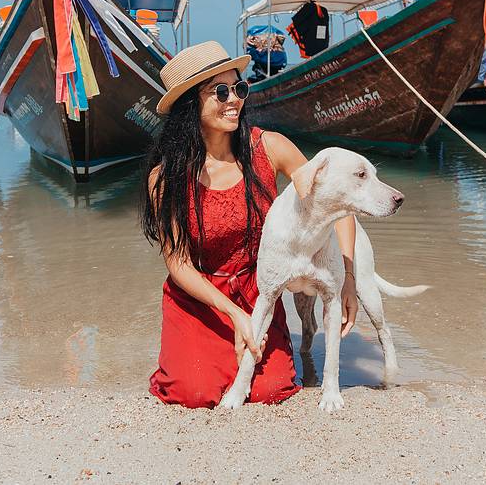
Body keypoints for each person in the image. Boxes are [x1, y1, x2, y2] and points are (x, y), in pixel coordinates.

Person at [141, 41, 358, 408]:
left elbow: (342, 197)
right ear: (189, 105)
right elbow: (178, 264)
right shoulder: (166, 178)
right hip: (199, 299)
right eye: (220, 91)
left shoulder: (269, 147)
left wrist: (347, 277)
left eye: (239, 88)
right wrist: (234, 314)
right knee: (192, 394)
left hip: (260, 294)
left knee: (270, 391)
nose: (234, 100)